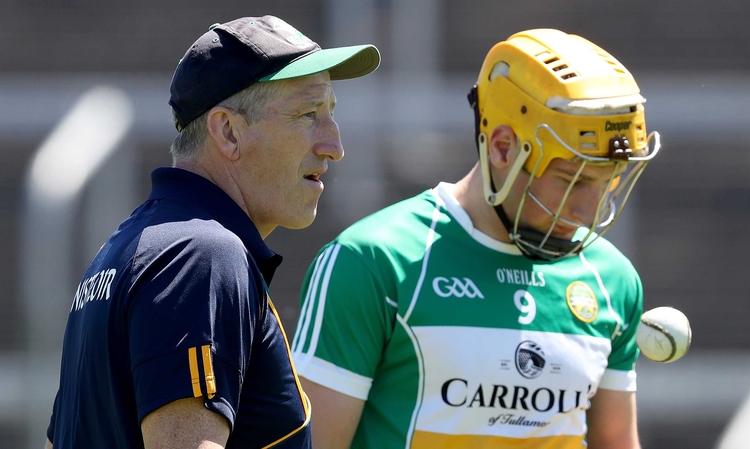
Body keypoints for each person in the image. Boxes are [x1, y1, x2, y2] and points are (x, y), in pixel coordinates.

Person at [291, 28, 661, 449]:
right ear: (503, 148)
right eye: (571, 180)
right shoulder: (373, 262)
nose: (588, 211)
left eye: (608, 181)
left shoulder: (612, 279)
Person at [45, 15, 380, 449]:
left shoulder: (121, 252)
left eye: (331, 114)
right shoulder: (201, 255)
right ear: (227, 131)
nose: (333, 145)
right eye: (307, 114)